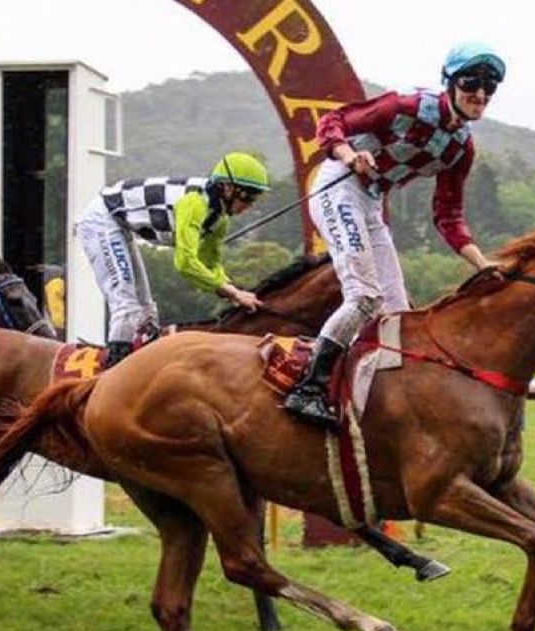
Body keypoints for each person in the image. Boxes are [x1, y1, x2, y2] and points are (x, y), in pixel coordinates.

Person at [284, 42, 507, 427]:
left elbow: (449, 216)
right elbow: (332, 122)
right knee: (365, 297)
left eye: (490, 87)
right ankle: (308, 388)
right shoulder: (407, 106)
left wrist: (483, 264)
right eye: (472, 82)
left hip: (369, 201)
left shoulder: (461, 148)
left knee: (397, 313)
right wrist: (349, 156)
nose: (481, 94)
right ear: (450, 84)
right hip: (339, 187)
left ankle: (371, 398)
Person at [76, 151, 270, 367]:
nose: (251, 204)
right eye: (249, 195)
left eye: (256, 197)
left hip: (122, 227)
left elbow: (210, 264)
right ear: (227, 187)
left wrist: (234, 291)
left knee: (147, 314)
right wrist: (232, 292)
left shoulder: (219, 219)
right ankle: (108, 377)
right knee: (127, 308)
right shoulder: (194, 203)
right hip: (102, 220)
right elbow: (185, 263)